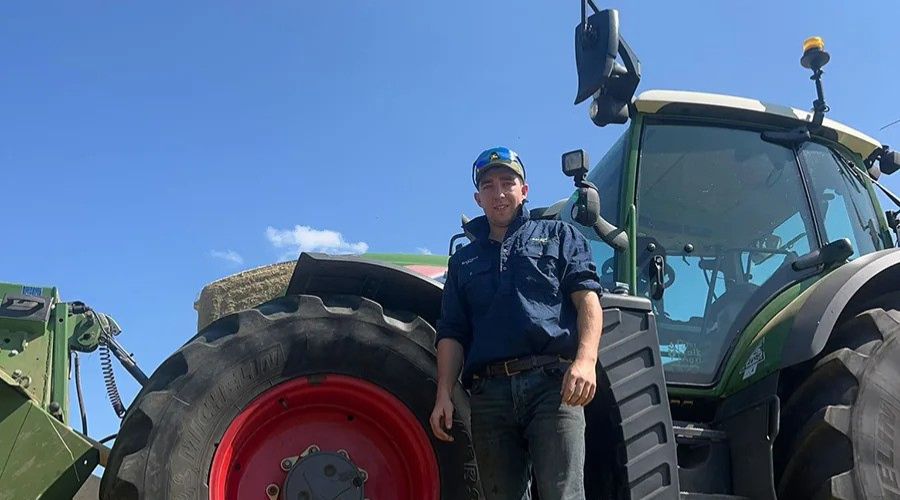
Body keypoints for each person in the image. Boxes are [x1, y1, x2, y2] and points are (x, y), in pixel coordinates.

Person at [430, 146, 604, 500]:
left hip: (553, 387)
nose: (499, 193)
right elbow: (452, 332)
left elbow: (587, 300)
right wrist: (443, 393)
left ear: (524, 190)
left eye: (507, 183)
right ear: (478, 199)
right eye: (488, 186)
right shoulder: (462, 262)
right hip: (489, 395)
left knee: (562, 494)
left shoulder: (559, 236)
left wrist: (586, 361)